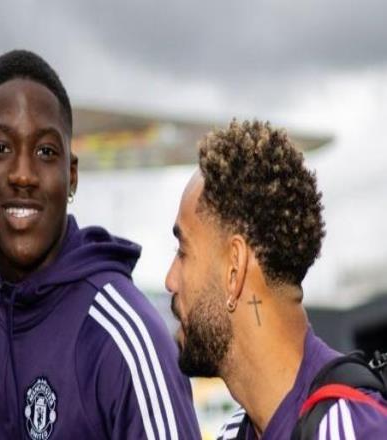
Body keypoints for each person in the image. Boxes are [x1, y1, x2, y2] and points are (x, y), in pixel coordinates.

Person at [0, 49, 201, 440]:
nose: (23, 175)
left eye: (46, 152)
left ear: (71, 175)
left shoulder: (125, 337)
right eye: (1, 148)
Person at [165, 120, 387, 439]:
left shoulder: (354, 430)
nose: (170, 280)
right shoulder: (233, 433)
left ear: (234, 268)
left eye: (183, 251)